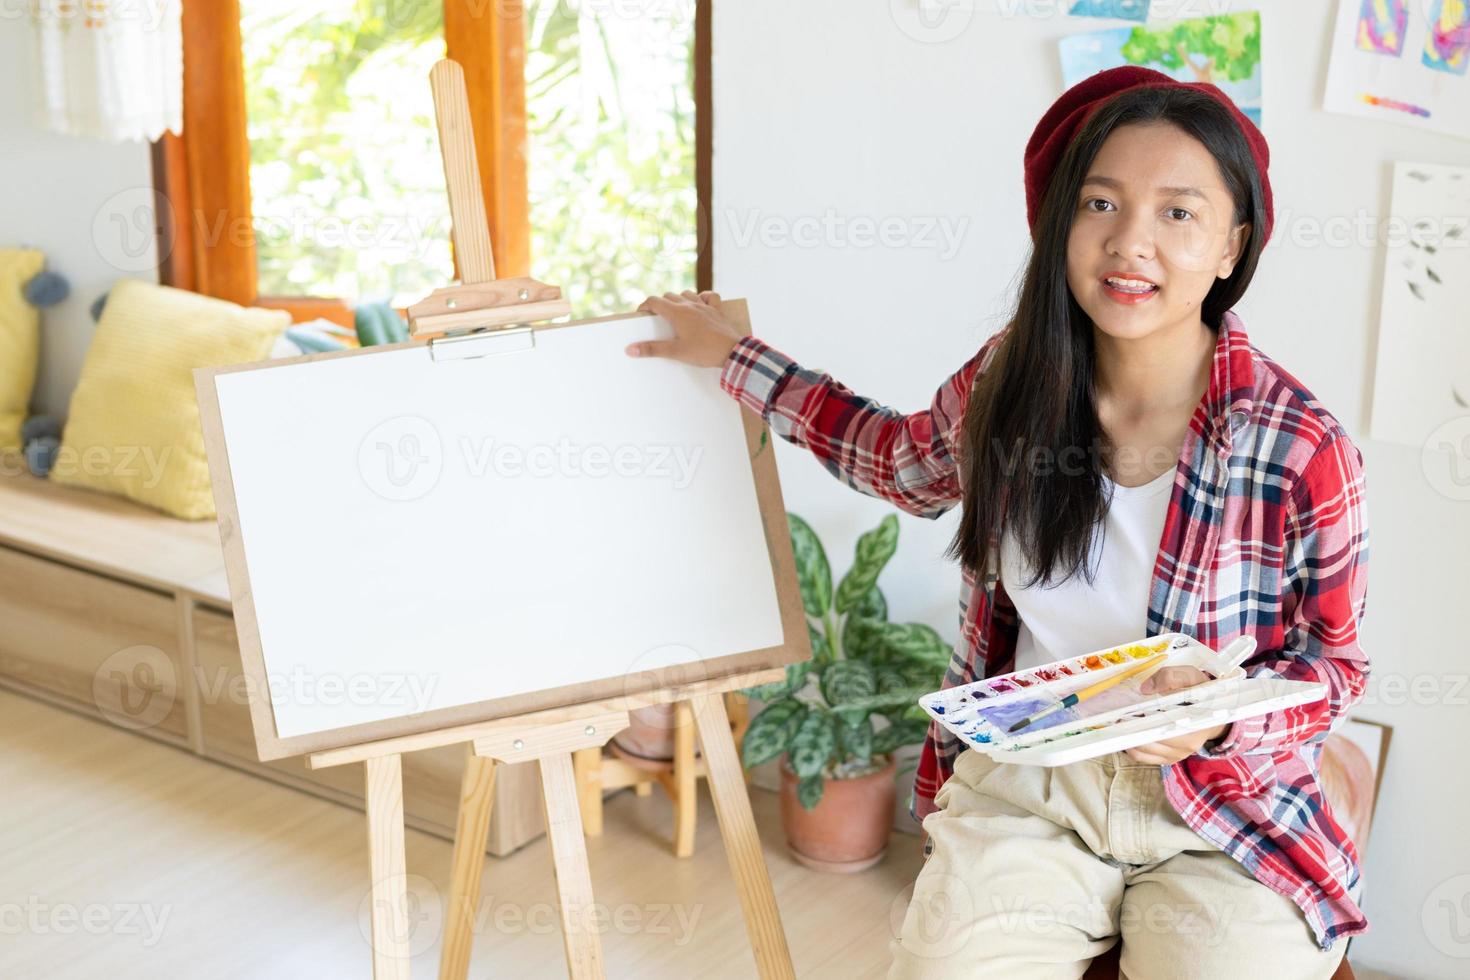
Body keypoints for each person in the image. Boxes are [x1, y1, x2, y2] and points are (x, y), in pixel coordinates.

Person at [626, 66, 1369, 979]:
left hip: (1224, 803)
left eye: (1178, 213)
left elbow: (1331, 666)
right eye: (1101, 203)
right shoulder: (1011, 380)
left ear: (1232, 246)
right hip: (1034, 785)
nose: (1130, 242)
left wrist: (1218, 724)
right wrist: (737, 360)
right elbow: (897, 460)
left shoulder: (1298, 442)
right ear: (1061, 223)